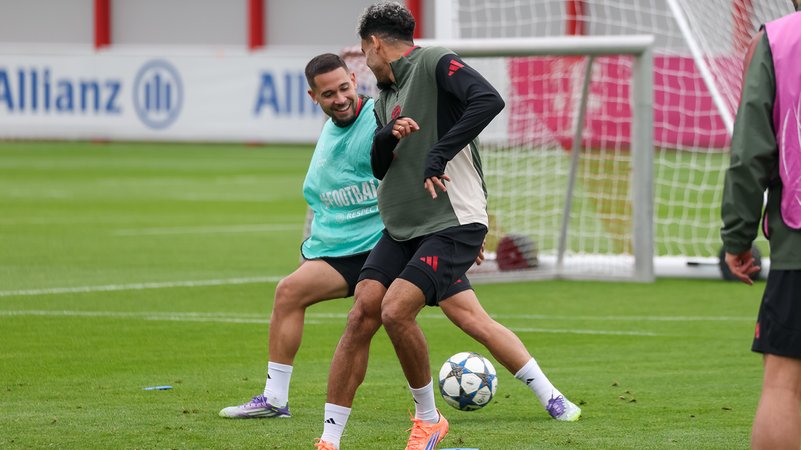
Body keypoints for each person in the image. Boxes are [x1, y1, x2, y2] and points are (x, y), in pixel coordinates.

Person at [219, 53, 579, 441]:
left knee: (472, 320)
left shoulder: (383, 113)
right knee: (297, 295)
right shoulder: (331, 131)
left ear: (354, 81)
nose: (339, 98)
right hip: (360, 251)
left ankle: (549, 396)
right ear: (313, 97)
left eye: (344, 88)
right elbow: (337, 190)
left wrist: (462, 231)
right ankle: (279, 399)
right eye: (328, 94)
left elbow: (442, 171)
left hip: (408, 242)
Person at [315, 3, 580, 450]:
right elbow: (382, 168)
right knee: (363, 312)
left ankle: (429, 419)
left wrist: (438, 153)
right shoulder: (384, 97)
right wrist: (386, 135)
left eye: (365, 51)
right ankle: (329, 439)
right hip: (403, 228)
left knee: (396, 310)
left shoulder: (435, 59)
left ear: (376, 44)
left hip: (451, 222)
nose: (366, 61)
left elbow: (489, 99)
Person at [721, 1, 801, 449]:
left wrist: (738, 237)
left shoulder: (780, 40)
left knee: (783, 384)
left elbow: (750, 155)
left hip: (798, 245)